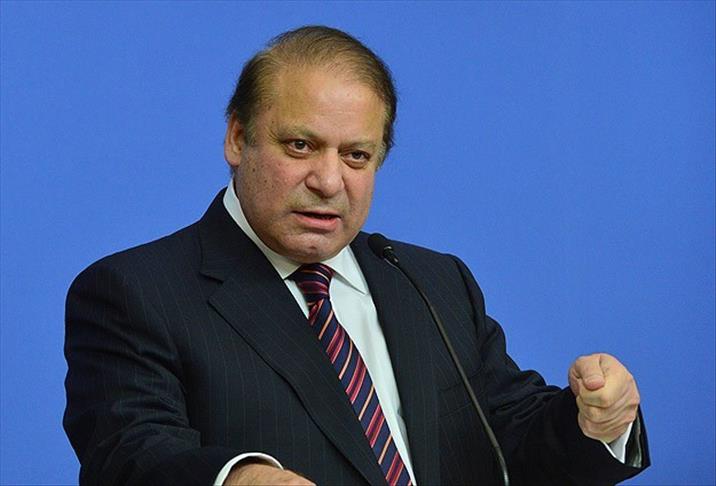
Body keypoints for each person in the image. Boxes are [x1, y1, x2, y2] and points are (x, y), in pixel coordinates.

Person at [63, 26, 649, 486]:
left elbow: (511, 442)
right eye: (301, 145)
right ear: (238, 138)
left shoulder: (432, 281)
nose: (328, 181)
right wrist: (237, 478)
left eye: (356, 156)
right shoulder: (137, 291)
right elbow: (129, 451)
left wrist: (597, 421)